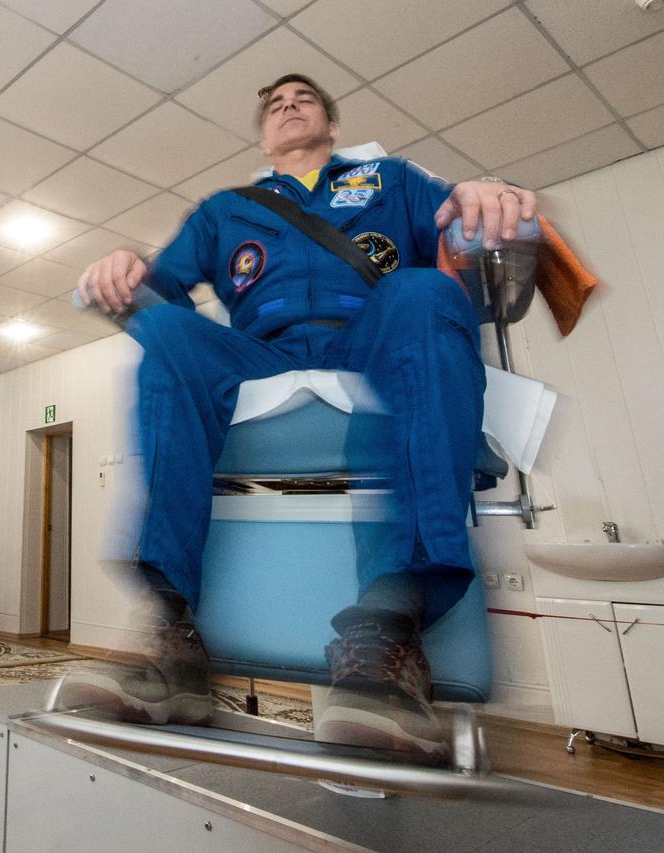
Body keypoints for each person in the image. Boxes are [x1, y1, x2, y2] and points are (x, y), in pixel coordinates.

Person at [68, 74, 537, 763]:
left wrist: (479, 192)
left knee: (423, 287)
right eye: (275, 105)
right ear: (264, 135)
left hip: (375, 338)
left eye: (303, 100)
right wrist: (122, 266)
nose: (288, 107)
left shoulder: (391, 179)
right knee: (168, 333)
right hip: (263, 352)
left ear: (333, 126)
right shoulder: (227, 209)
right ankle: (170, 633)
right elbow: (157, 287)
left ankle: (391, 626)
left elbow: (466, 221)